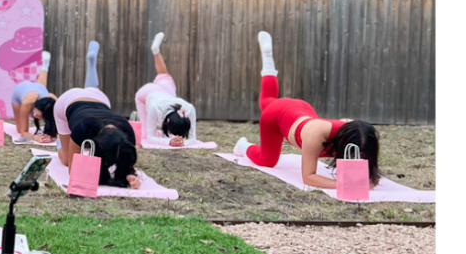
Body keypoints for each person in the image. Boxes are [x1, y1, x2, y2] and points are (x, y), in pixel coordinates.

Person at [234, 32, 382, 189]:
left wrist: (368, 179)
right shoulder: (316, 136)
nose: (359, 158)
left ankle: (268, 57)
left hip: (303, 110)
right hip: (276, 116)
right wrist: (345, 185)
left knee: (268, 100)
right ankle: (242, 145)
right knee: (268, 159)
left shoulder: (358, 133)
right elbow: (308, 177)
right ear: (343, 142)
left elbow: (368, 172)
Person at [53, 42, 142, 189]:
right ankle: (59, 143)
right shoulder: (81, 129)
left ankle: (91, 63)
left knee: (91, 89)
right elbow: (74, 172)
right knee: (67, 160)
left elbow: (126, 162)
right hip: (66, 102)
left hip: (100, 99)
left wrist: (129, 174)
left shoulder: (128, 133)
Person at [135, 33, 200, 148]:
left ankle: (156, 51)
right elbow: (150, 137)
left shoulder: (189, 109)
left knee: (164, 76)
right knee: (144, 135)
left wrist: (183, 142)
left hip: (166, 94)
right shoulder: (154, 108)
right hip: (149, 93)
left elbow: (193, 138)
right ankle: (155, 51)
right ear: (167, 121)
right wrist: (169, 142)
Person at [11, 52, 55, 144]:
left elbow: (64, 132)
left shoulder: (54, 101)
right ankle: (45, 66)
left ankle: (45, 66)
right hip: (20, 91)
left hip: (41, 90)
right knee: (19, 130)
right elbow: (23, 132)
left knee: (41, 87)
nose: (34, 116)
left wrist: (53, 137)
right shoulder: (27, 103)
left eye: (39, 116)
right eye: (35, 112)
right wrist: (35, 137)